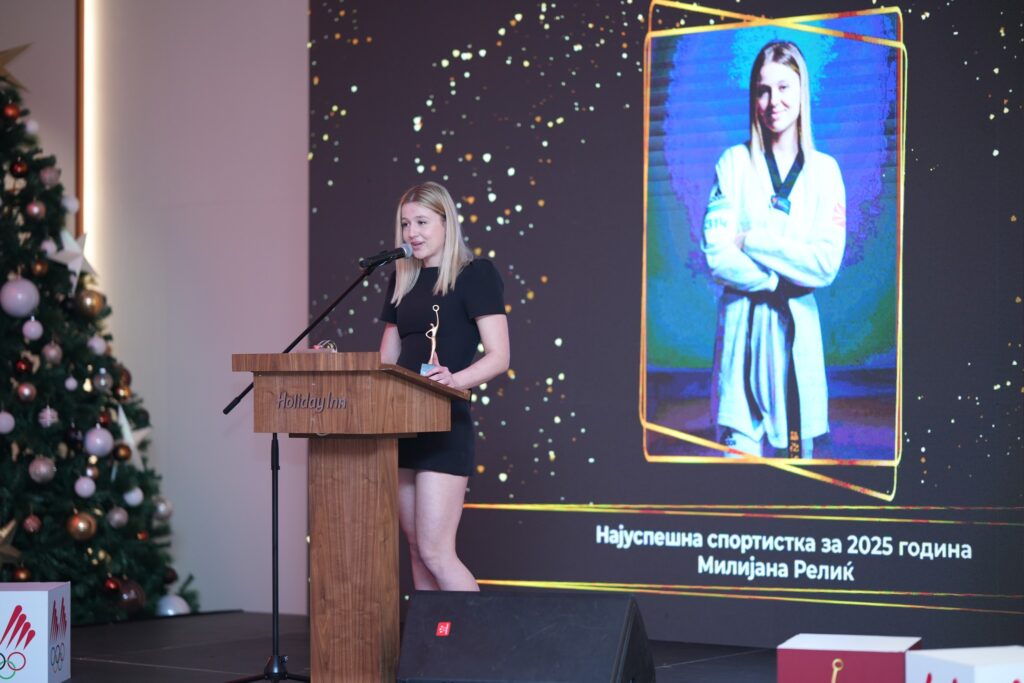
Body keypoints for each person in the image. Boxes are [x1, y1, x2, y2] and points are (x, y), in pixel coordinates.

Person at [701, 41, 846, 459]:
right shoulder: (733, 163)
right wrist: (775, 278)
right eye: (763, 90)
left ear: (802, 91)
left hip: (796, 338)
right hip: (741, 337)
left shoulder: (825, 172)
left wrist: (752, 241)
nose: (773, 102)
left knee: (796, 472)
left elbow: (824, 265)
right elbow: (717, 256)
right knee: (736, 474)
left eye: (784, 87)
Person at [379, 181, 510, 590]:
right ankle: (433, 634)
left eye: (421, 222)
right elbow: (386, 361)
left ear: (446, 222)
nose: (412, 233)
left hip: (444, 425)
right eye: (405, 224)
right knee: (417, 550)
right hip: (403, 426)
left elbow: (499, 356)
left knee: (436, 552)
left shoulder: (475, 274)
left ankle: (476, 634)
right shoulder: (401, 280)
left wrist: (454, 380)